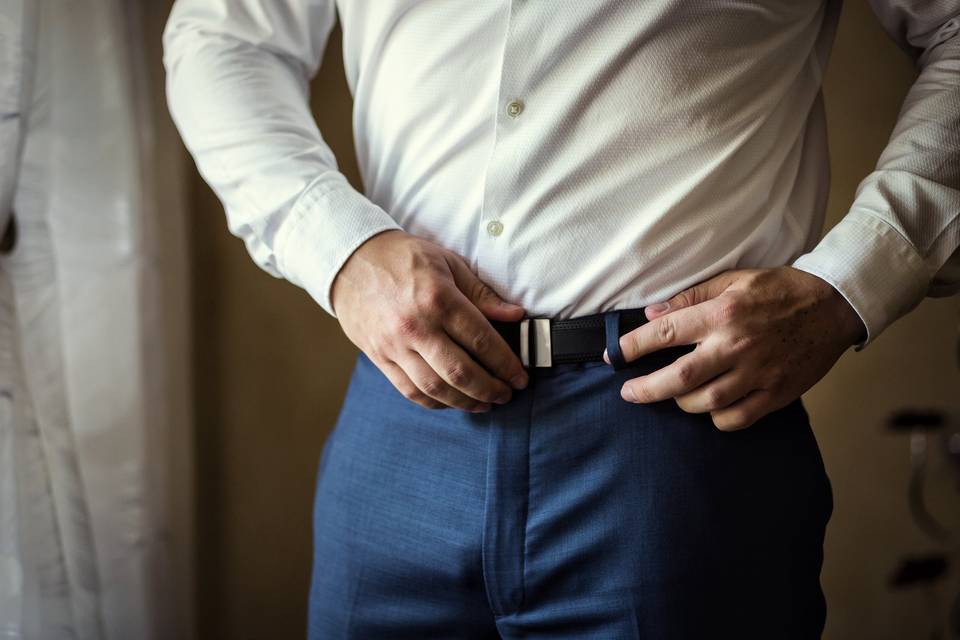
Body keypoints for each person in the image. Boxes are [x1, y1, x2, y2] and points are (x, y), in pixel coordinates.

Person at [163, 1, 960, 637]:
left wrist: (848, 281)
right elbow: (222, 34)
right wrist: (340, 251)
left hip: (676, 439)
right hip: (400, 421)